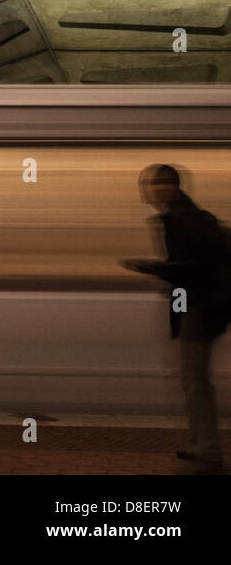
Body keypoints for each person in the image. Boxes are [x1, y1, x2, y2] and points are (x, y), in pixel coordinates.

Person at [127, 164, 229, 473]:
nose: (153, 191)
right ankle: (202, 445)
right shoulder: (184, 215)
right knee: (192, 380)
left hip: (199, 308)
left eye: (159, 185)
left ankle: (209, 449)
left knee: (194, 381)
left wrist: (156, 268)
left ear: (172, 187)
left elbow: (192, 267)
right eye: (151, 186)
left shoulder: (181, 219)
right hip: (195, 306)